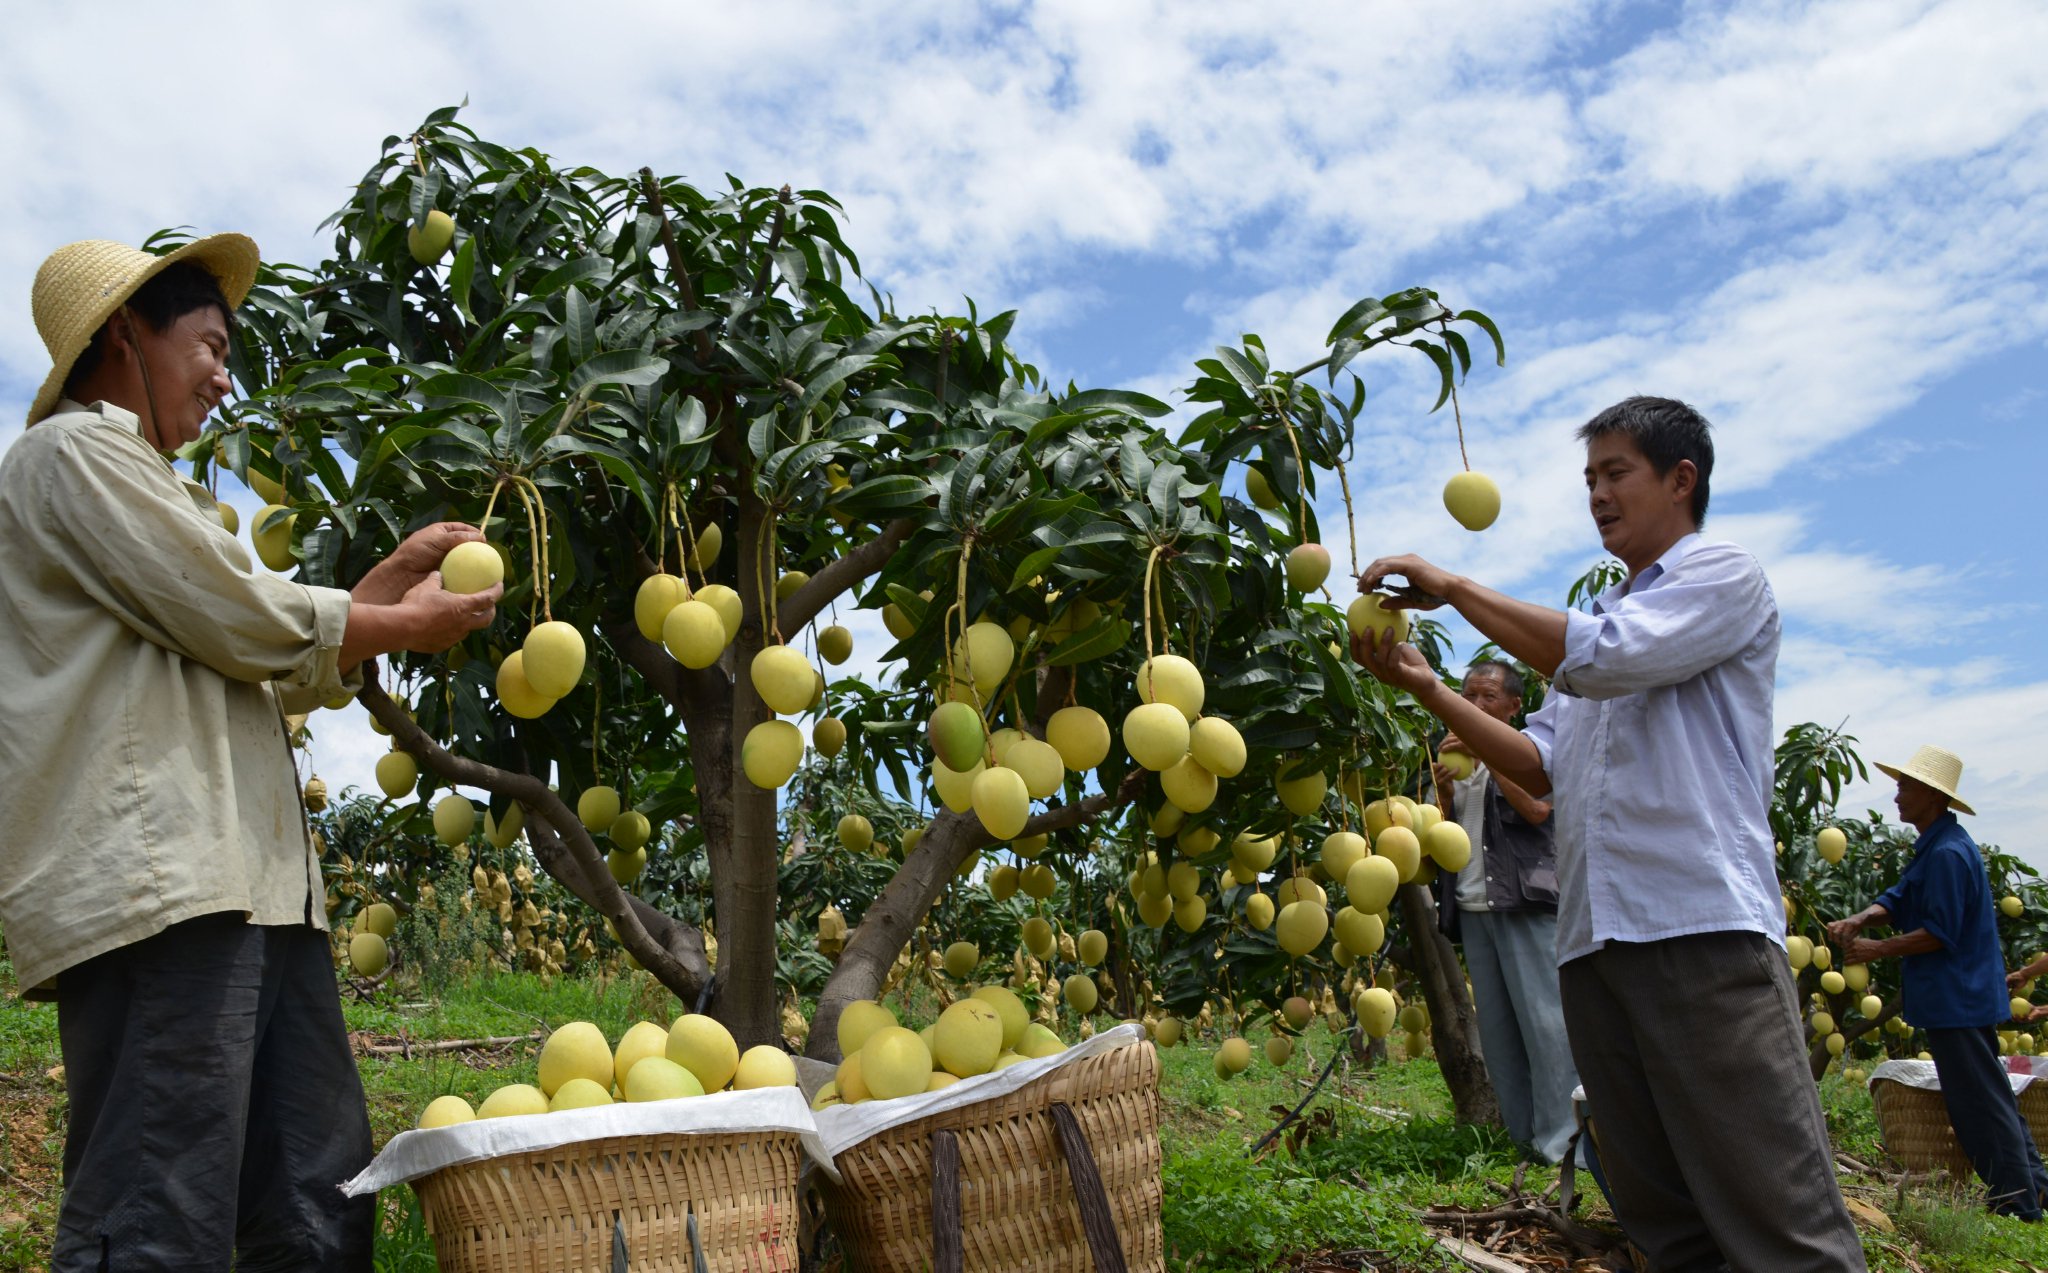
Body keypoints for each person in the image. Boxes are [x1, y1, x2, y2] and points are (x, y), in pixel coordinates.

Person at [0, 236, 501, 1270]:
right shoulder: (71, 455)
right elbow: (229, 614)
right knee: (158, 1209)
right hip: (161, 888)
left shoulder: (163, 493)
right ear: (124, 332)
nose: (225, 376)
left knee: (312, 1203)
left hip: (256, 889)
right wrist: (399, 626)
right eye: (210, 345)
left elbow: (264, 657)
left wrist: (380, 589)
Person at [1352, 396, 1865, 1270]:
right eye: (1589, 478)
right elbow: (1536, 757)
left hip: (1698, 928)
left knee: (1777, 1212)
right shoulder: (1605, 627)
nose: (1597, 493)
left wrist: (1456, 586)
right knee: (1661, 1211)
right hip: (1595, 943)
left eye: (1615, 472)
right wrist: (1426, 687)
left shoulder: (1719, 576)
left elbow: (1610, 656)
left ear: (1681, 478)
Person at [1828, 747, 2048, 1219]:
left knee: (1978, 1103)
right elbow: (1901, 896)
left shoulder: (1948, 853)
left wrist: (1873, 949)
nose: (1897, 797)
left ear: (1932, 794)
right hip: (1958, 996)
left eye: (1905, 787)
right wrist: (1863, 917)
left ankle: (2016, 1202)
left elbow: (1939, 933)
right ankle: (2034, 1188)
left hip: (1958, 997)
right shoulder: (1936, 846)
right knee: (1989, 1093)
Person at [1428, 659, 1579, 1164]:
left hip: (1525, 904)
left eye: (1487, 697)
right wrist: (1444, 791)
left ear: (1515, 707)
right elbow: (1439, 841)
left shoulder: (1529, 755)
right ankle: (1524, 1140)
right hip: (1473, 908)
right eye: (1467, 695)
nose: (1474, 705)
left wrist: (1487, 756)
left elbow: (1539, 808)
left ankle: (1565, 1144)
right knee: (1498, 1032)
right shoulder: (1451, 756)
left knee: (1548, 1024)